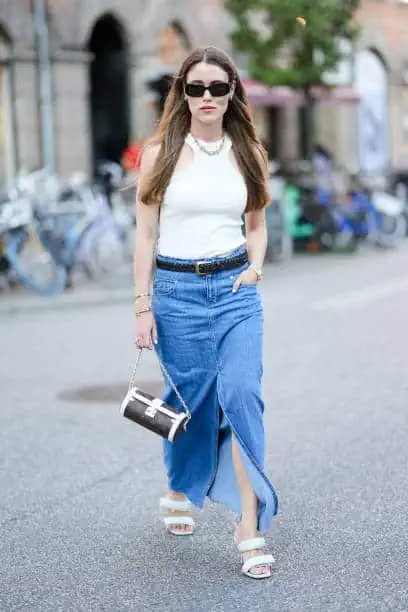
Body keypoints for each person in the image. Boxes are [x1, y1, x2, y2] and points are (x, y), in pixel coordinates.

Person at [133, 46, 278, 580]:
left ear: (233, 91)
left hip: (236, 287)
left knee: (241, 394)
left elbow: (257, 224)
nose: (208, 97)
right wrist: (142, 305)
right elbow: (145, 234)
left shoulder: (249, 153)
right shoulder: (160, 153)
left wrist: (255, 269)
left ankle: (249, 523)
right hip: (175, 291)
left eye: (219, 87)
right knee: (189, 402)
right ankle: (178, 485)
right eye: (197, 88)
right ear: (183, 93)